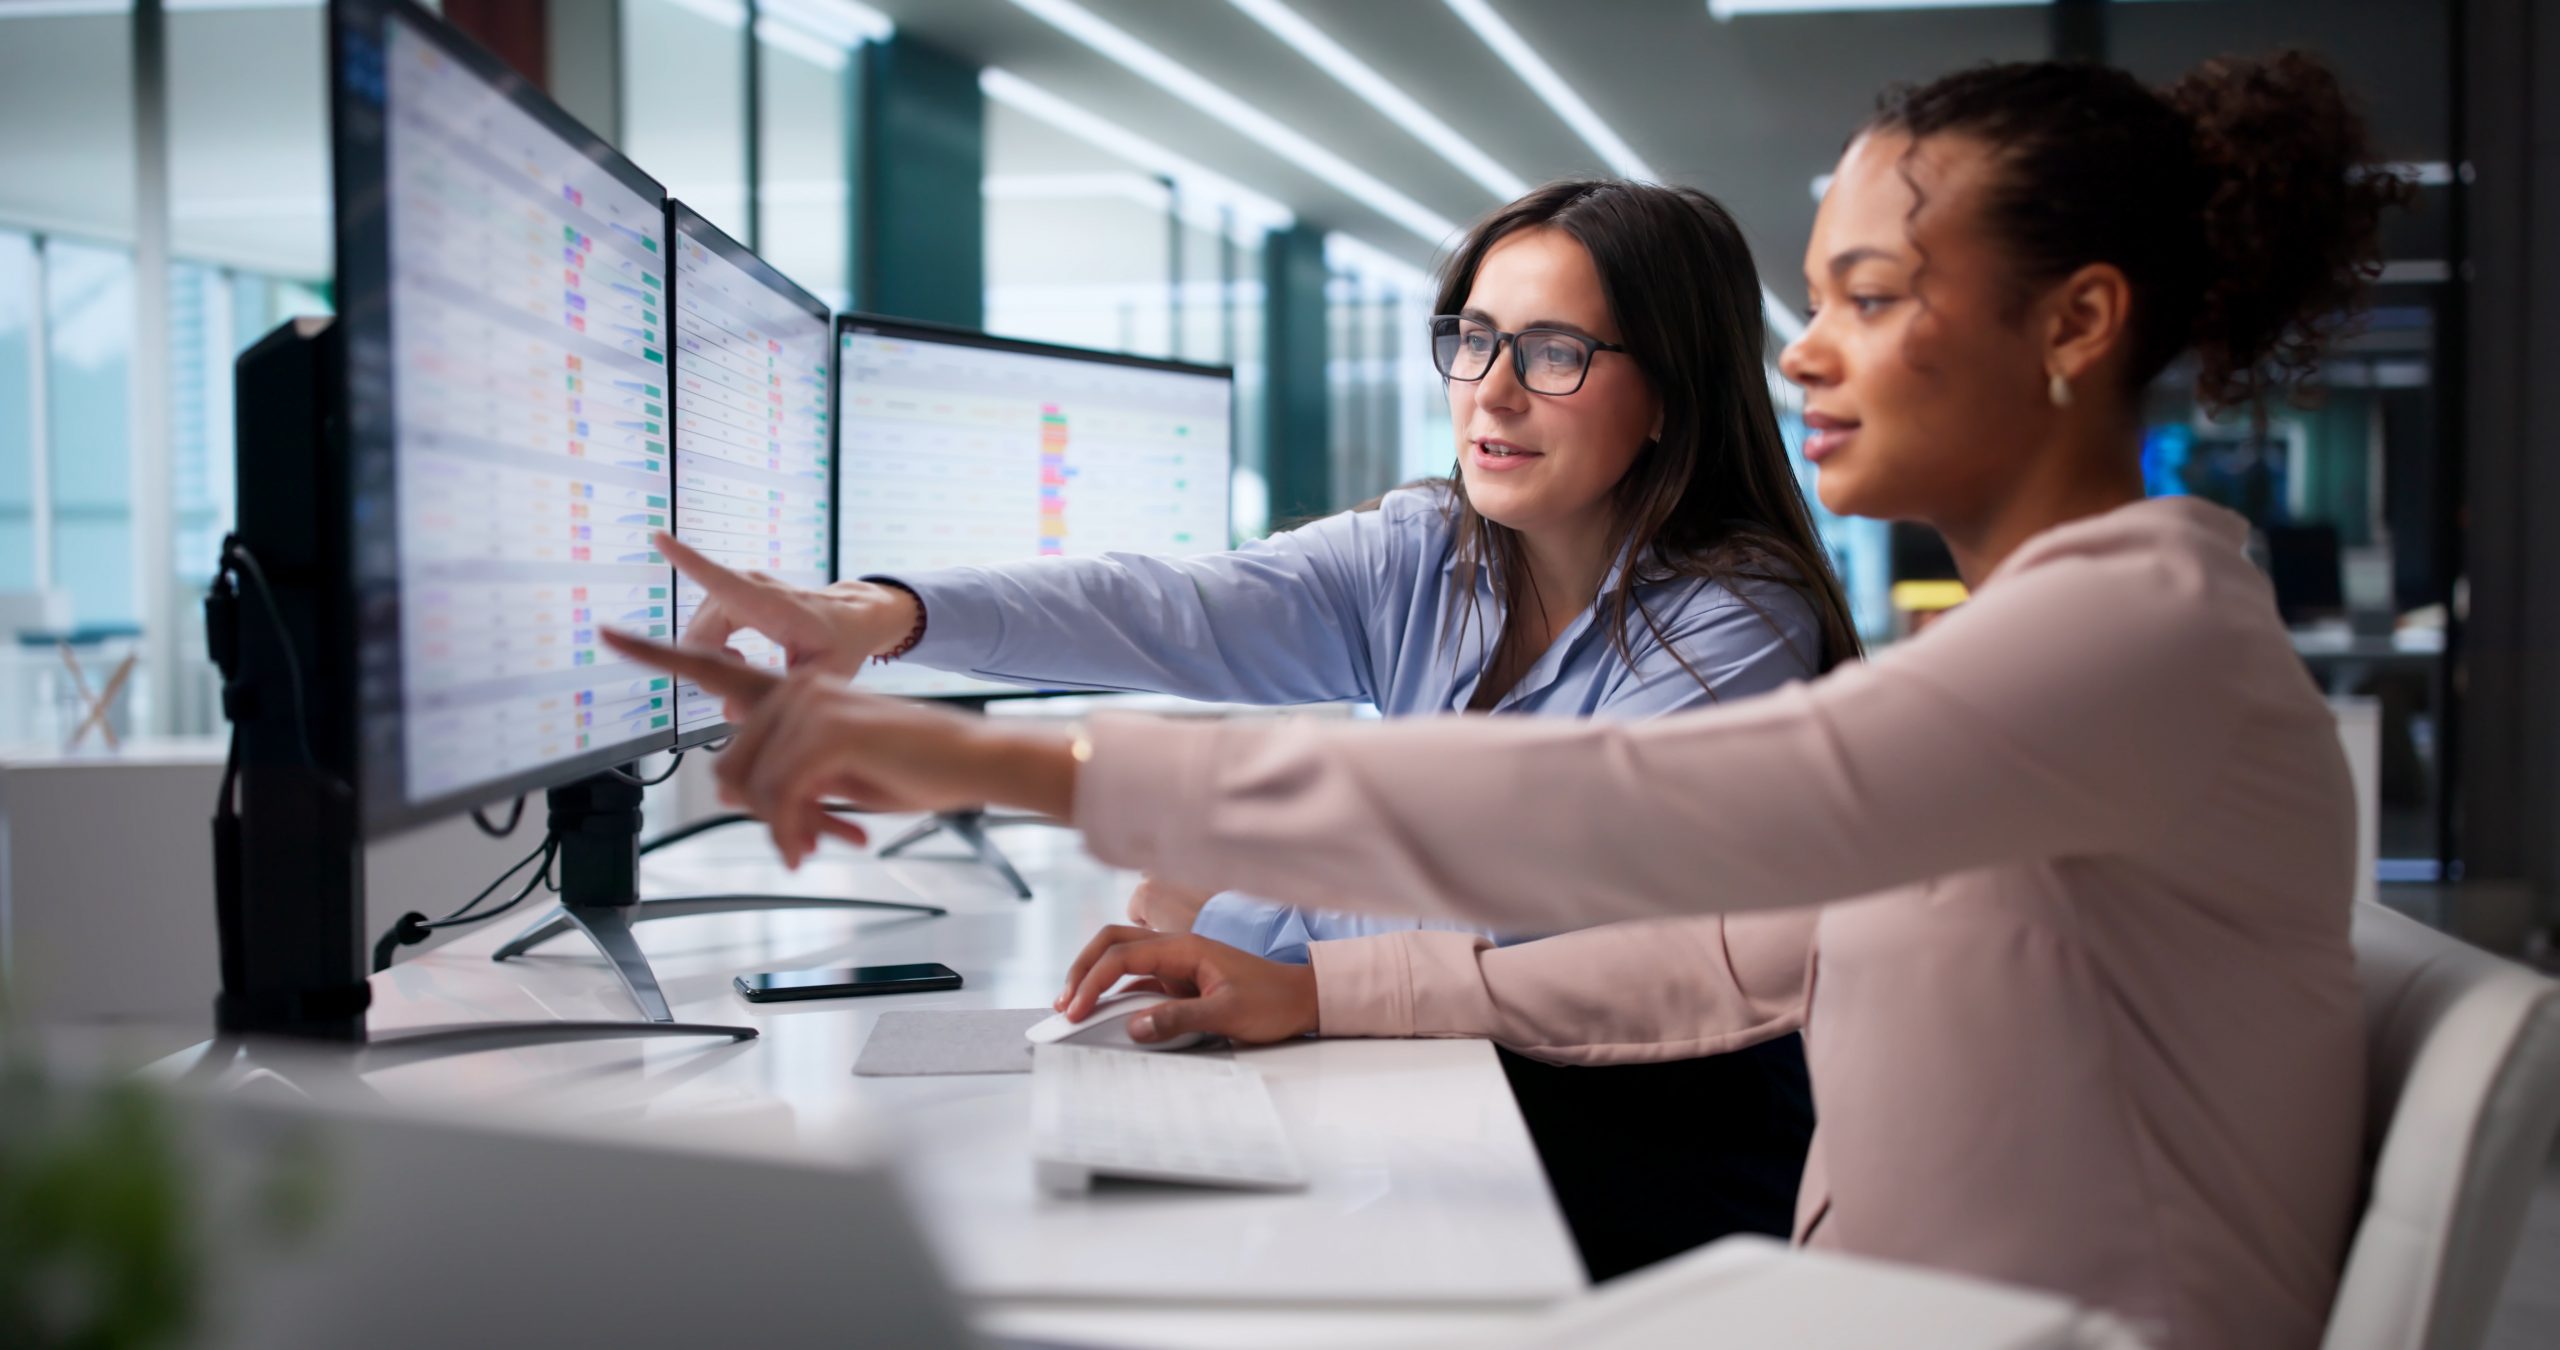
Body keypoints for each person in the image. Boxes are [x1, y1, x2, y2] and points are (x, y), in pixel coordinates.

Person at [610, 51, 2406, 1348]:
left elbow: (1628, 823)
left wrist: (963, 759)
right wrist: (1308, 970)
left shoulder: (2125, 634)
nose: (1805, 349)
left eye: (1868, 295)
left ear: (2075, 326)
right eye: (1474, 339)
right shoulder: (2063, 641)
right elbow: (1753, 944)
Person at [666, 179, 1858, 1271]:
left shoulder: (1734, 616)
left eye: (1554, 352)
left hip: (1646, 1142)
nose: (1491, 389)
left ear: (1669, 394)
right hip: (1462, 1095)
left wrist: (1247, 885)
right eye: (1474, 339)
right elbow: (1170, 606)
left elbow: (1545, 895)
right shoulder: (1428, 554)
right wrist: (890, 612)